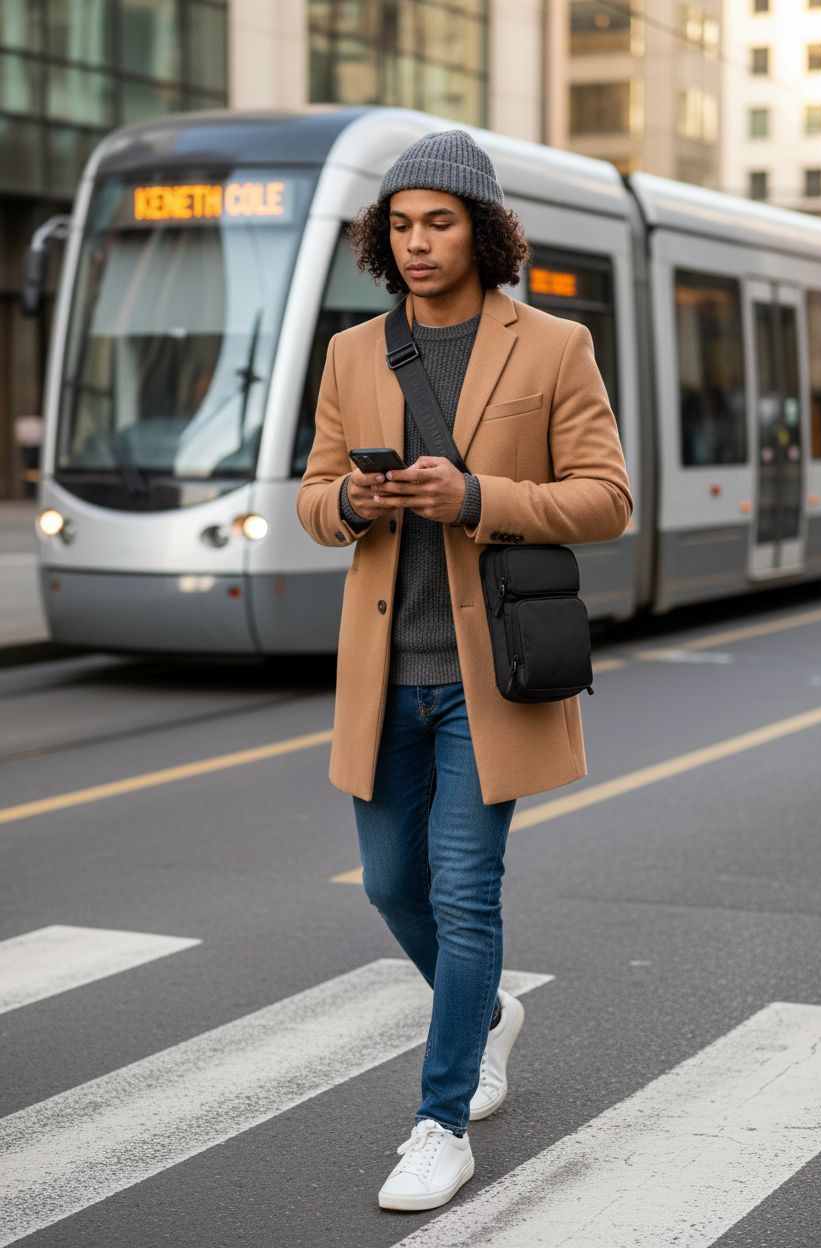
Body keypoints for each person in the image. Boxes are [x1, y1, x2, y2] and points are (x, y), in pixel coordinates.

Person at [296, 129, 633, 1213]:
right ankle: (485, 1015)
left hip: (488, 678)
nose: (418, 242)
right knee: (393, 886)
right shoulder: (355, 353)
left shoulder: (552, 346)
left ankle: (439, 1120)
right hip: (382, 672)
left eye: (438, 221)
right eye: (400, 224)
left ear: (481, 231)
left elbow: (605, 497)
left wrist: (477, 498)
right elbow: (310, 497)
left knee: (463, 891)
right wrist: (353, 503)